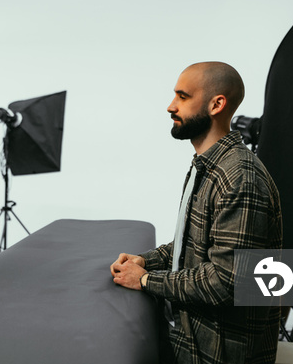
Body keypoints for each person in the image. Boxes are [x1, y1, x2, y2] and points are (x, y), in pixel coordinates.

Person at [110, 62, 282, 363]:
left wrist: (147, 280)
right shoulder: (207, 165)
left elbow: (226, 282)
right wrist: (145, 260)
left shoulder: (240, 178)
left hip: (215, 354)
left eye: (182, 97)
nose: (170, 106)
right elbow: (191, 247)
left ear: (216, 104)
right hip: (190, 339)